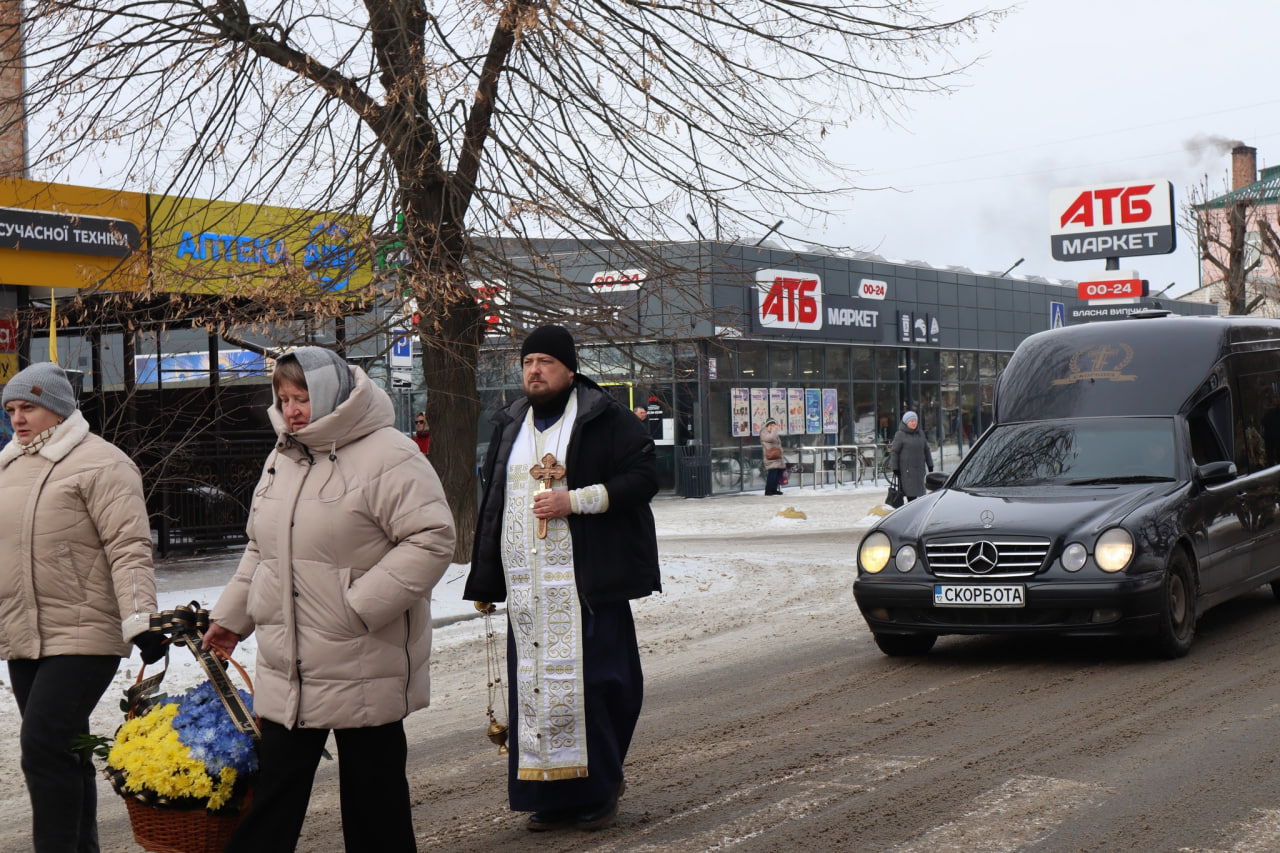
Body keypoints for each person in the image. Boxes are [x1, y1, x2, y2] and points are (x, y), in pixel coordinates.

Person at [202, 347, 455, 853]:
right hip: (288, 660)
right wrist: (231, 618)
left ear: (333, 395)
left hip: (363, 656)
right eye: (283, 398)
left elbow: (432, 538)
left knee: (374, 807)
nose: (292, 409)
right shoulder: (283, 456)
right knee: (271, 800)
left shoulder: (389, 452)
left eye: (302, 398)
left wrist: (358, 607)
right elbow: (262, 548)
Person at [465, 325, 660, 833]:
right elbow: (494, 506)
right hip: (529, 592)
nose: (534, 370)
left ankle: (599, 790)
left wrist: (574, 500)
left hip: (586, 588)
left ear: (570, 369)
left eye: (546, 361)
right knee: (533, 694)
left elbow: (644, 477)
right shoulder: (511, 422)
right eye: (528, 361)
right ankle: (548, 799)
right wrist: (487, 577)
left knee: (597, 689)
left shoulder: (603, 416)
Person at [0, 361, 162, 852]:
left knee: (43, 749)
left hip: (85, 630)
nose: (19, 418)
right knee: (67, 751)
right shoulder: (8, 466)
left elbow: (128, 545)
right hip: (26, 633)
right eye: (11, 409)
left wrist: (141, 618)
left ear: (58, 408)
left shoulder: (103, 463)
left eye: (29, 407)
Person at [889, 410, 934, 502]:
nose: (914, 423)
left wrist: (930, 464)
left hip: (920, 471)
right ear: (906, 422)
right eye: (911, 421)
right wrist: (895, 468)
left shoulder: (920, 433)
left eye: (915, 421)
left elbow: (926, 449)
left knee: (921, 496)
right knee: (911, 497)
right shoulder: (900, 435)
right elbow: (894, 452)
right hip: (907, 472)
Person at [760, 418, 786, 496]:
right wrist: (774, 430)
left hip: (777, 455)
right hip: (770, 456)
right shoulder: (764, 432)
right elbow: (771, 438)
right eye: (771, 425)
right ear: (767, 426)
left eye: (774, 425)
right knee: (772, 473)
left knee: (779, 472)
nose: (773, 427)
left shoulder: (773, 432)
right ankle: (768, 490)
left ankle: (774, 489)